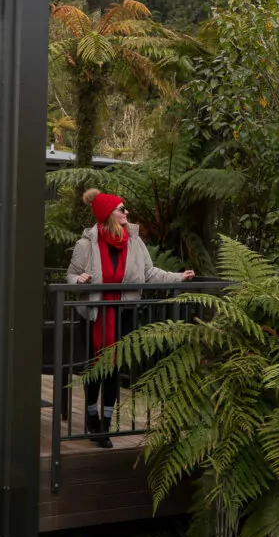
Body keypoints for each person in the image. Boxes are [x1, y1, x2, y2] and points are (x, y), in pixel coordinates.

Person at [67, 188, 194, 448]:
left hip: (123, 312)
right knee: (94, 368)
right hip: (94, 313)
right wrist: (78, 280)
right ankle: (91, 417)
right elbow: (70, 276)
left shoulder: (134, 242)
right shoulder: (86, 245)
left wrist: (178, 277)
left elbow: (149, 273)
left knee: (113, 366)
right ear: (108, 214)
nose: (127, 213)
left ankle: (105, 425)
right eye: (121, 209)